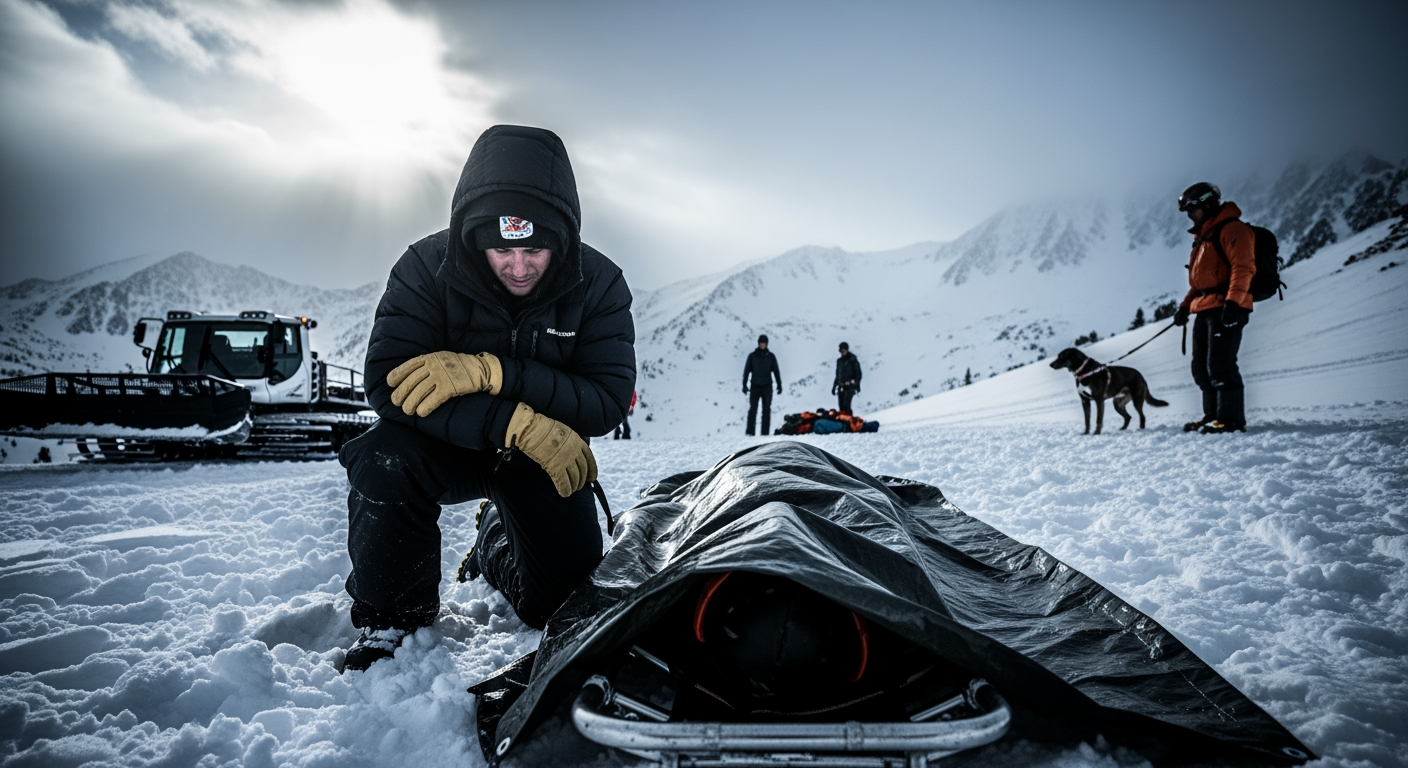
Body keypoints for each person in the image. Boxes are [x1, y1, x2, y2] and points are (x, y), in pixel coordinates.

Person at [337, 125, 636, 672]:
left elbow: (608, 399)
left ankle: (494, 537)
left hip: (542, 454)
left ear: (562, 238)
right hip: (443, 445)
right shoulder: (425, 269)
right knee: (383, 454)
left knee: (562, 605)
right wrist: (510, 420)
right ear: (475, 238)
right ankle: (391, 619)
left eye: (536, 249)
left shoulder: (600, 284)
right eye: (502, 248)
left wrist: (493, 372)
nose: (518, 267)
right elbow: (387, 382)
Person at [1171, 182, 1253, 434]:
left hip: (1227, 307)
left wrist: (1232, 302)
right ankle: (1212, 417)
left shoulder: (1232, 229)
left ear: (1208, 204)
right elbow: (1200, 281)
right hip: (1205, 308)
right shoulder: (1203, 237)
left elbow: (1243, 268)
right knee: (1201, 368)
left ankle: (1230, 419)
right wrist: (1185, 307)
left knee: (1221, 365)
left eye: (1192, 209)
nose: (1189, 215)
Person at [742, 335, 782, 435]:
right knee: (753, 410)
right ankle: (750, 433)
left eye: (764, 343)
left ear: (767, 344)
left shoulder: (771, 357)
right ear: (759, 343)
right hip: (755, 386)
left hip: (767, 387)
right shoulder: (752, 356)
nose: (762, 344)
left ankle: (765, 434)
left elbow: (776, 371)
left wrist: (779, 385)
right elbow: (746, 371)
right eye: (761, 343)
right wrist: (744, 384)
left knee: (766, 410)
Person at [832, 342, 861, 414]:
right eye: (841, 350)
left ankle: (850, 422)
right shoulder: (839, 361)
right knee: (841, 406)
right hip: (841, 386)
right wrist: (834, 386)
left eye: (844, 350)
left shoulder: (852, 359)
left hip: (850, 386)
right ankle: (844, 422)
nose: (842, 351)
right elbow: (838, 375)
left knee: (846, 406)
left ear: (847, 349)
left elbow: (858, 373)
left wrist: (853, 382)